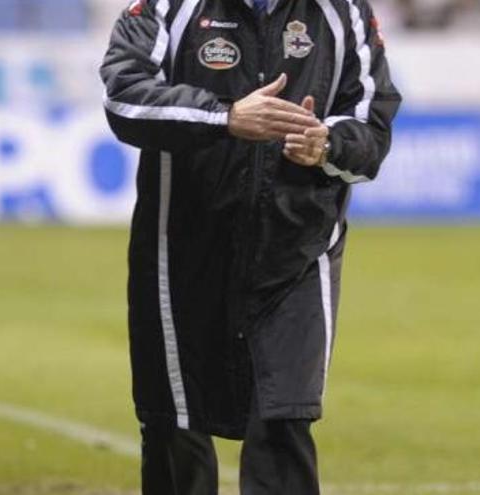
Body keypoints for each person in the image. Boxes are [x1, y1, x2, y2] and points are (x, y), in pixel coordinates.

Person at [99, 0, 401, 493]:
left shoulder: (343, 11)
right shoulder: (167, 5)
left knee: (284, 418)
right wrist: (225, 118)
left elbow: (372, 127)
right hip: (181, 253)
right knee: (176, 424)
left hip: (297, 254)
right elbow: (125, 97)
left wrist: (326, 145)